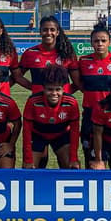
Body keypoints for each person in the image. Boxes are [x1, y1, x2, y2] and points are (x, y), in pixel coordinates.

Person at [19, 15, 82, 168]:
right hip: (39, 112)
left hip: (61, 115)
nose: (49, 33)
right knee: (34, 167)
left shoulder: (67, 53)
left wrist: (65, 94)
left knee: (70, 166)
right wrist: (34, 88)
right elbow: (17, 76)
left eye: (52, 30)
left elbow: (78, 82)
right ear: (40, 31)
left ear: (58, 32)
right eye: (45, 30)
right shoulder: (30, 53)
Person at [79, 23, 111, 169]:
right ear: (91, 43)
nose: (100, 44)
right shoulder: (83, 61)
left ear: (110, 42)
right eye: (96, 41)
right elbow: (80, 84)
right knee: (91, 157)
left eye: (103, 40)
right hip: (90, 114)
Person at [22, 65, 80, 169]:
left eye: (58, 89)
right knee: (29, 169)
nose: (54, 93)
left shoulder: (71, 103)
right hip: (38, 135)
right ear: (43, 88)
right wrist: (28, 160)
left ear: (63, 88)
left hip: (61, 135)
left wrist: (74, 159)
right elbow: (26, 131)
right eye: (50, 89)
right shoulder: (33, 102)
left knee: (71, 167)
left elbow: (75, 132)